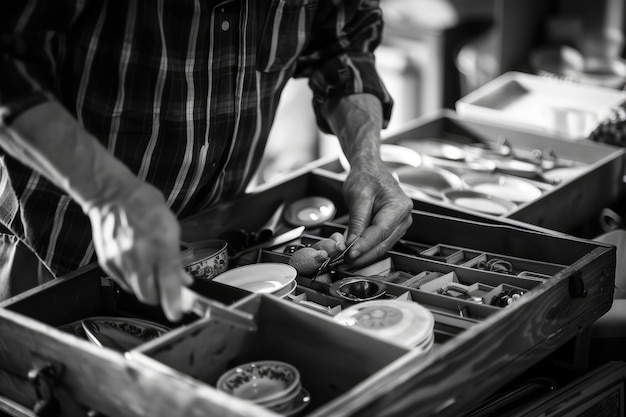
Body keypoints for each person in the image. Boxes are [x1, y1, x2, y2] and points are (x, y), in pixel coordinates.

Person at [0, 1, 413, 321]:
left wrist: (367, 160)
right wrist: (108, 194)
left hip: (215, 248)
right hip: (53, 254)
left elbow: (343, 47)